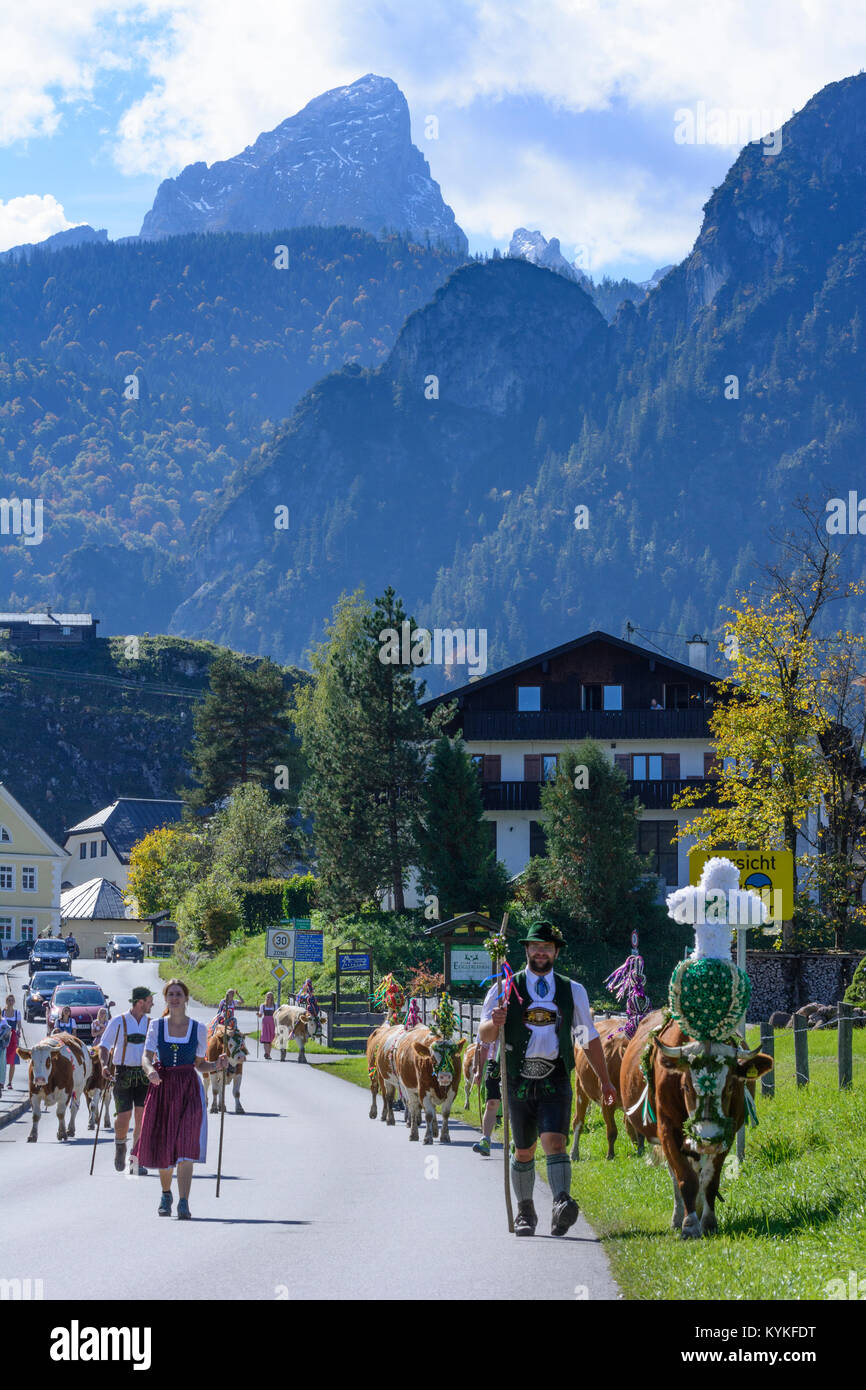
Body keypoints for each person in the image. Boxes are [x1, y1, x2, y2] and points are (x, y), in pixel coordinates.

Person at [478, 921, 616, 1239]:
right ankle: (526, 1211)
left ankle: (560, 1203)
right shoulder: (503, 989)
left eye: (548, 947)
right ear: (526, 950)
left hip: (555, 1075)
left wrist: (605, 1081)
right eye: (536, 947)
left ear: (555, 952)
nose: (541, 952)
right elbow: (484, 1035)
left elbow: (587, 1037)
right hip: (517, 1078)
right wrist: (495, 1021)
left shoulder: (573, 990)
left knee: (555, 1142)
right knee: (523, 1150)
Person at [134, 979, 228, 1219]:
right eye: (170, 994)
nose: (174, 998)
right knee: (165, 1145)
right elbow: (146, 1057)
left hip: (188, 1089)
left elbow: (199, 1065)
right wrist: (150, 1071)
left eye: (178, 994)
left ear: (186, 998)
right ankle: (166, 1193)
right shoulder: (156, 1026)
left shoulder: (197, 1028)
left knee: (186, 1145)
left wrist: (217, 1065)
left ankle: (184, 1201)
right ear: (166, 999)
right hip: (162, 1087)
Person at [99, 987, 155, 1176]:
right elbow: (104, 1046)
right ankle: (120, 1144)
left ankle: (135, 1159)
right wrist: (104, 1066)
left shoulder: (151, 1024)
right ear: (140, 1002)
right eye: (149, 1001)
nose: (152, 1004)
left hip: (144, 1076)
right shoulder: (119, 1021)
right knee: (124, 1118)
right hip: (123, 1074)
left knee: (141, 1117)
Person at [470, 1030, 502, 1158]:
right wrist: (479, 1070)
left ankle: (516, 1143)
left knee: (514, 1104)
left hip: (514, 1062)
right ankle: (486, 1141)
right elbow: (483, 1046)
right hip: (494, 1063)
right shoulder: (492, 1016)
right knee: (491, 1103)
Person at [2, 993, 22, 1089]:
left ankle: (9, 1082)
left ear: (14, 1002)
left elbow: (19, 1025)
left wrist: (18, 1032)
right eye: (9, 1000)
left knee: (12, 1061)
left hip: (13, 1038)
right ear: (6, 1001)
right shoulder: (2, 1012)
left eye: (12, 1000)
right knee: (2, 1061)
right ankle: (2, 1081)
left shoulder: (17, 1012)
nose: (10, 1002)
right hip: (3, 1038)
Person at [258, 991, 276, 1060]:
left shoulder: (275, 1005)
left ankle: (268, 1054)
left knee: (270, 1039)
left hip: (272, 1023)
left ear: (272, 998)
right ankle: (266, 1053)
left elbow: (277, 1014)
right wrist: (258, 1014)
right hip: (265, 1023)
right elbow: (260, 1014)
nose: (268, 998)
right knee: (266, 1038)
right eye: (267, 996)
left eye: (270, 997)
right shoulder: (263, 1006)